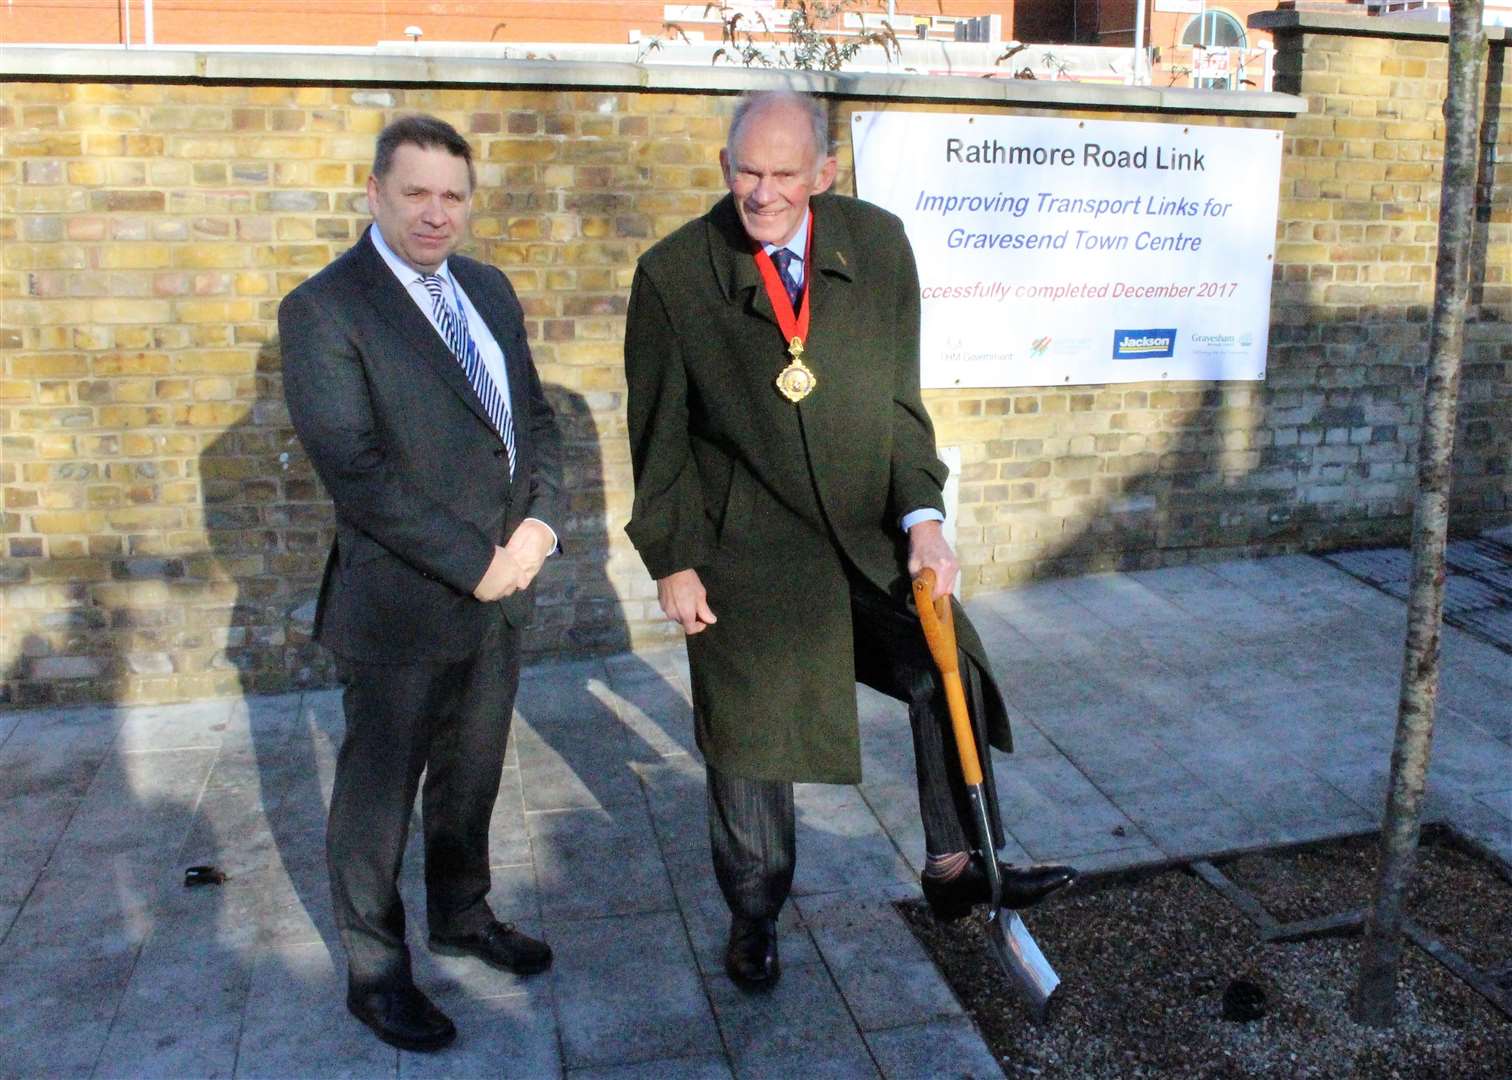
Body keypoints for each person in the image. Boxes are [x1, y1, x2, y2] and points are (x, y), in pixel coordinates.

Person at [622, 90, 1077, 992]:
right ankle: (753, 918)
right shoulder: (674, 275)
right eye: (745, 171)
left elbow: (905, 408)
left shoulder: (878, 245)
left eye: (785, 174)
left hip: (869, 538)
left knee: (946, 667)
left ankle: (958, 866)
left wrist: (925, 518)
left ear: (824, 174)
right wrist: (672, 558)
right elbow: (658, 437)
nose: (762, 192)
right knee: (753, 745)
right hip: (744, 551)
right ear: (725, 168)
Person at [279, 114, 563, 1051]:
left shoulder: (487, 287)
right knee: (378, 795)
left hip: (504, 590)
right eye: (416, 193)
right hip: (402, 604)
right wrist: (478, 562)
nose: (436, 214)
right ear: (374, 193)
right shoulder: (326, 308)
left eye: (453, 196)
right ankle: (375, 971)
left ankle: (463, 913)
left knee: (473, 773)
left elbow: (533, 422)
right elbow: (357, 472)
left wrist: (539, 524)